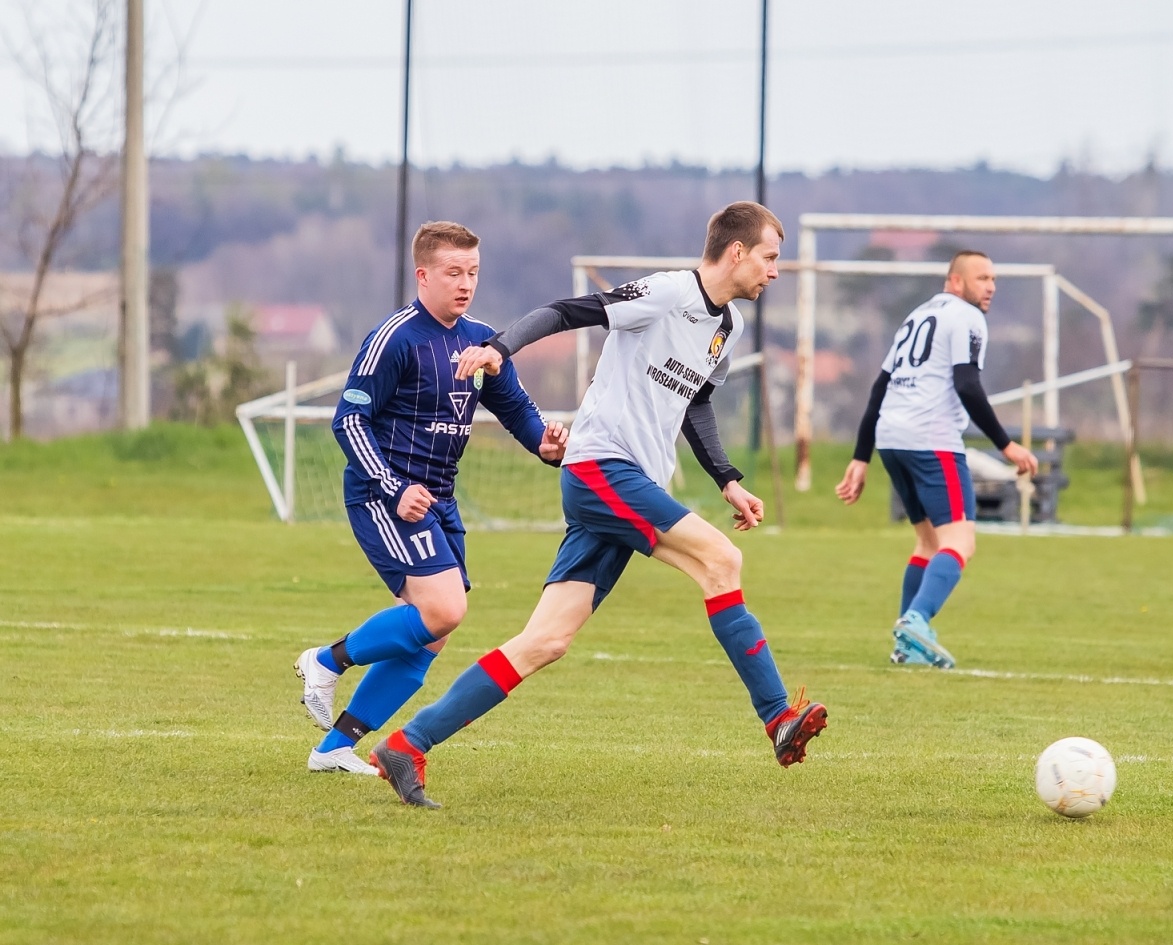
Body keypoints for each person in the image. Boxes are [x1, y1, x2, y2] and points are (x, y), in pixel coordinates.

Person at [366, 201, 825, 808]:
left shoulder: (728, 328)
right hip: (601, 469)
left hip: (628, 484)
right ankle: (777, 719)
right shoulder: (666, 294)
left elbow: (698, 403)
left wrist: (728, 479)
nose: (775, 271)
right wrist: (502, 347)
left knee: (545, 641)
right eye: (770, 257)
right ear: (737, 252)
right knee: (722, 561)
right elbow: (564, 311)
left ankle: (407, 744)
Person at [293, 221, 568, 774]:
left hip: (439, 497)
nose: (465, 284)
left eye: (472, 273)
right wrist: (394, 488)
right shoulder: (395, 337)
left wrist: (544, 442)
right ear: (423, 275)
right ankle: (325, 660)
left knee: (431, 635)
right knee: (443, 609)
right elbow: (349, 420)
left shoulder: (482, 341)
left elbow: (512, 405)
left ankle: (334, 748)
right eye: (453, 273)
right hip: (384, 493)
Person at [834, 250, 1038, 668]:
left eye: (993, 278)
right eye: (982, 278)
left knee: (928, 542)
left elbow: (879, 387)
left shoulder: (917, 315)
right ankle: (917, 621)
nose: (991, 286)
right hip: (932, 439)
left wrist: (862, 457)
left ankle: (906, 646)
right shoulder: (966, 317)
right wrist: (1006, 445)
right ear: (956, 282)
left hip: (892, 438)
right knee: (960, 541)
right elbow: (967, 383)